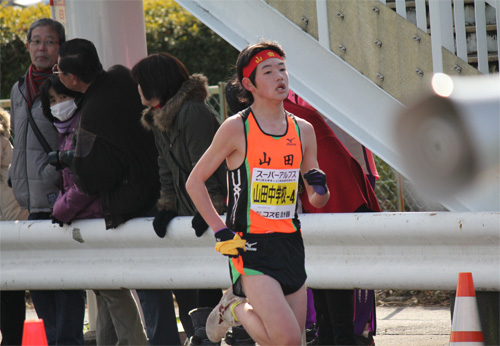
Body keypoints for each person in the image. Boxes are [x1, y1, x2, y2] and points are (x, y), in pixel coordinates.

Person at [186, 41, 330, 345]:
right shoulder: (236, 128)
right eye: (268, 71)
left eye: (282, 69)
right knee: (288, 340)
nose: (280, 76)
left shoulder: (303, 130)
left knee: (290, 343)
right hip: (248, 245)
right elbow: (194, 182)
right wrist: (220, 230)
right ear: (249, 84)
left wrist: (320, 188)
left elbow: (317, 198)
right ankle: (234, 309)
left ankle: (233, 308)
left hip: (291, 243)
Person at [56, 38, 159, 345]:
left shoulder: (92, 115)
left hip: (132, 204)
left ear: (73, 79)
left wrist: (70, 163)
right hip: (159, 189)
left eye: (60, 70)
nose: (56, 73)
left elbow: (92, 176)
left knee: (143, 289)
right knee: (116, 290)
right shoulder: (120, 76)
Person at [131, 52, 226, 345]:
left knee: (207, 289)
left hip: (212, 214)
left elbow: (208, 165)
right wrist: (167, 207)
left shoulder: (192, 112)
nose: (138, 90)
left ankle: (210, 339)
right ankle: (203, 337)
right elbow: (166, 167)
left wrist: (209, 208)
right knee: (192, 291)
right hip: (188, 214)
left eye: (140, 83)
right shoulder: (160, 116)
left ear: (155, 83)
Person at [9, 18, 88, 346]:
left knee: (66, 288)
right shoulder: (17, 88)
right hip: (29, 204)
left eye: (50, 42)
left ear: (61, 47)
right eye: (36, 41)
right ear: (27, 45)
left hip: (62, 202)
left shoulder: (68, 87)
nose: (41, 48)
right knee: (40, 286)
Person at [0, 107, 29, 346]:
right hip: (14, 235)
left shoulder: (9, 168)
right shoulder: (14, 162)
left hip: (8, 237)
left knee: (9, 297)